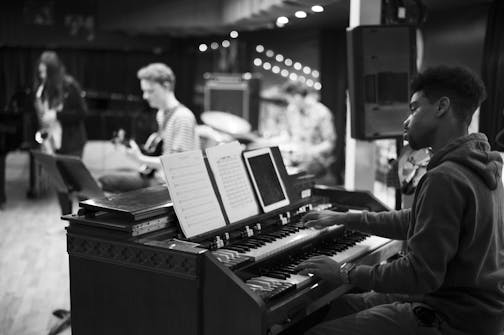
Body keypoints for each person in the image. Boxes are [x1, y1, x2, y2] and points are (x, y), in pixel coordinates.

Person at [296, 65, 504, 334]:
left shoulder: (446, 176)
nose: (406, 120)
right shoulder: (481, 165)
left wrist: (345, 272)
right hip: (478, 309)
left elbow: (419, 274)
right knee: (344, 305)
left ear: (442, 107)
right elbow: (419, 220)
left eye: (415, 108)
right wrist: (346, 219)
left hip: (453, 316)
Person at [98, 63, 199, 193]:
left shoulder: (182, 117)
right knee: (104, 181)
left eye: (150, 91)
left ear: (166, 86)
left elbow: (177, 163)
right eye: (144, 91)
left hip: (170, 186)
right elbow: (162, 151)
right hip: (158, 178)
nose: (145, 96)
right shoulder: (161, 113)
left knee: (105, 181)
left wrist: (140, 158)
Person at [33, 50, 88, 214]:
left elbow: (82, 113)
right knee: (60, 183)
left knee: (77, 184)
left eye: (44, 72)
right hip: (52, 142)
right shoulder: (42, 90)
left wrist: (57, 115)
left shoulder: (70, 86)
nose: (42, 76)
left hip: (72, 142)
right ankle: (67, 220)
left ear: (53, 71)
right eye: (40, 72)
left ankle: (89, 219)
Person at [279, 81, 336, 183]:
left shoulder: (322, 112)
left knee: (296, 177)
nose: (289, 104)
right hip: (295, 158)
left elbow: (329, 144)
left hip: (316, 161)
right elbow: (288, 136)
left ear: (297, 96)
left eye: (289, 100)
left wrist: (308, 151)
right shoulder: (292, 110)